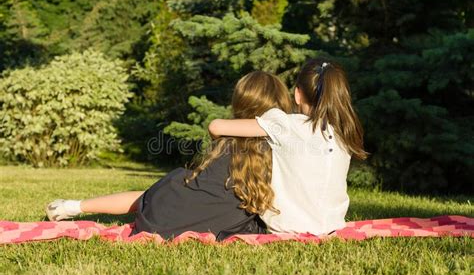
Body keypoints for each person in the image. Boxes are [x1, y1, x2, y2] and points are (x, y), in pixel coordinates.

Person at [46, 71, 293, 240]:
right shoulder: (280, 146)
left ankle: (71, 206)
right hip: (208, 223)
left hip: (160, 215)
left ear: (239, 103)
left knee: (150, 196)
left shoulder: (225, 138)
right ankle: (71, 206)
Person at [208, 58, 368, 235]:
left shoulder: (286, 124)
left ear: (297, 95)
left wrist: (221, 144)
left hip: (288, 229)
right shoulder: (343, 133)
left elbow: (215, 127)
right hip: (332, 227)